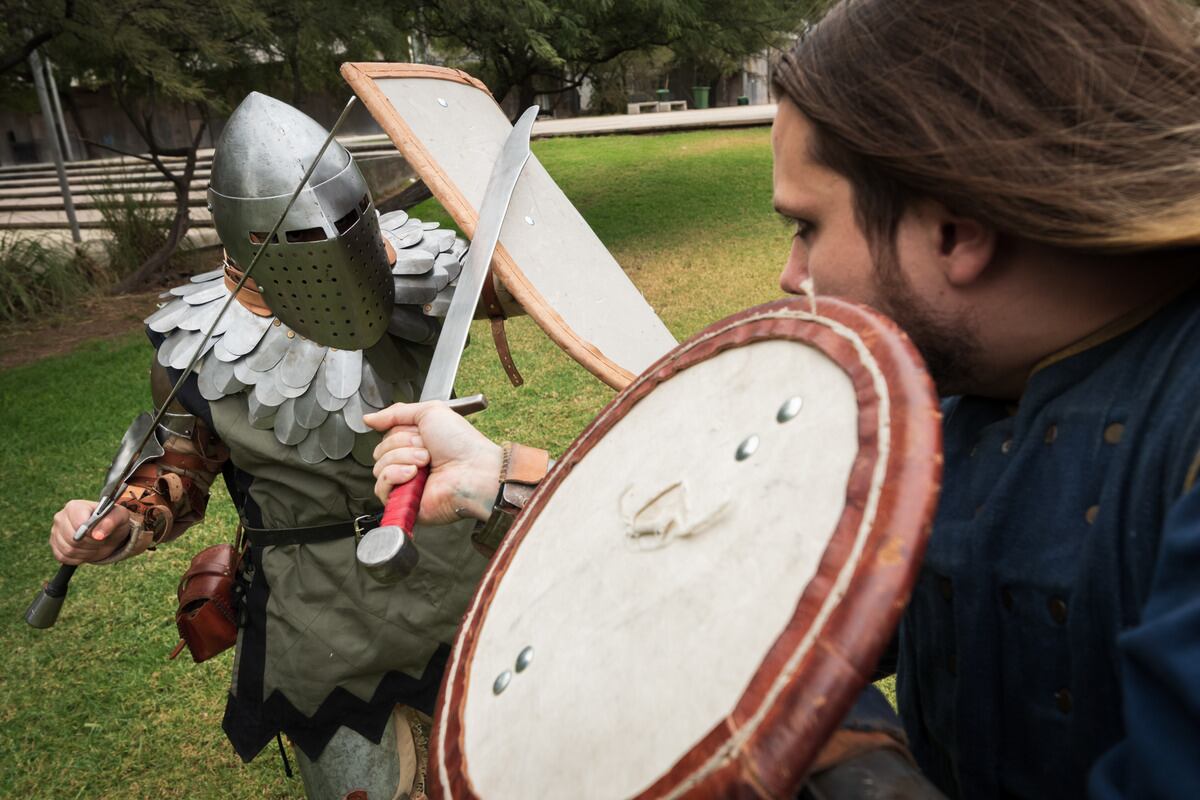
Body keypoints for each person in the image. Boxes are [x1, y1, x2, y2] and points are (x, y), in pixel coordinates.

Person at [366, 1, 1200, 797]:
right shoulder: (975, 389)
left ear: (956, 230)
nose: (791, 277)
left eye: (807, 226)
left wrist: (795, 747)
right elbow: (770, 566)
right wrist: (497, 479)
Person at [47, 92, 496, 800]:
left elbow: (527, 279)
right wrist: (118, 522)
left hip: (452, 567)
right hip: (318, 613)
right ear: (246, 237)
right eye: (300, 238)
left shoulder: (418, 267)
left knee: (500, 762)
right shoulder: (196, 344)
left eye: (347, 223)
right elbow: (178, 474)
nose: (329, 244)